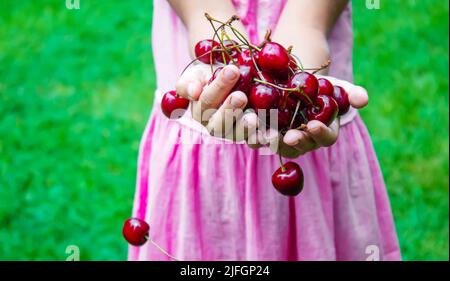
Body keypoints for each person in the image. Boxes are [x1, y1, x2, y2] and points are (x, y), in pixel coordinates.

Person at [128, 0, 401, 261]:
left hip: (312, 149)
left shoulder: (308, 103)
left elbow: (305, 33)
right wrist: (207, 21)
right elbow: (207, 25)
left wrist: (307, 29)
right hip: (198, 147)